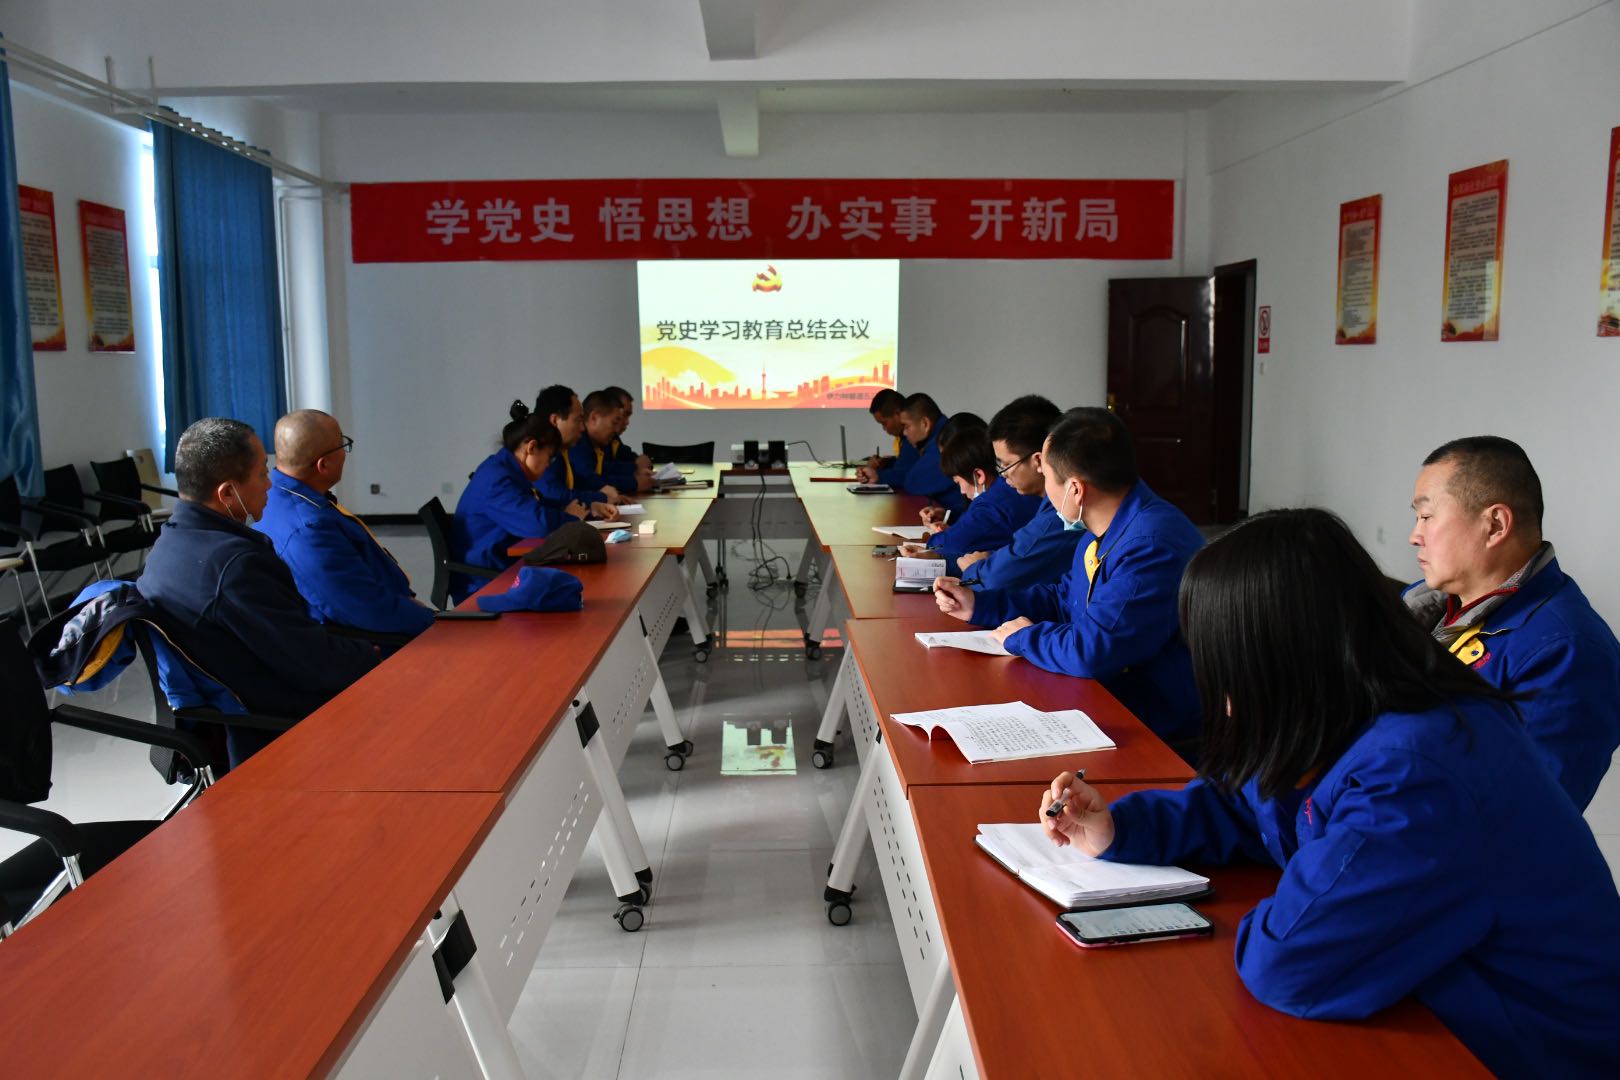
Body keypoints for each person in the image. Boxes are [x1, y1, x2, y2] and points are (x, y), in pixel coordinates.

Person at [1040, 509, 1620, 1078]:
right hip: (1434, 1010)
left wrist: (1275, 903)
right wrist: (1123, 828)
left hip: (1520, 1050)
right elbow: (1249, 799)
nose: (1227, 704)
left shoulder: (1415, 770)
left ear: (1285, 659)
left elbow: (1287, 962)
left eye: (1228, 673)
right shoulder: (1359, 709)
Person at [933, 407, 1202, 745]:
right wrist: (980, 605)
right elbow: (1064, 599)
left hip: (1154, 726)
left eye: (1046, 476)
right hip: (1110, 696)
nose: (1045, 490)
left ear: (1075, 489)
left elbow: (1094, 650)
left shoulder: (1150, 546)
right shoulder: (1102, 527)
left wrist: (1024, 637)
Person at [137, 417, 380, 763]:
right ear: (227, 493)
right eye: (263, 473)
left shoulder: (166, 546)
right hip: (277, 728)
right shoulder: (236, 566)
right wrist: (371, 655)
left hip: (234, 712)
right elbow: (313, 664)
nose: (270, 484)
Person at [1405, 436, 1620, 810]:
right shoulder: (1420, 604)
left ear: (1495, 525)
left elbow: (1524, 814)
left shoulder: (1567, 651)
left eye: (1426, 516)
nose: (1414, 536)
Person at [256, 409, 434, 637]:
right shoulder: (309, 528)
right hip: (376, 641)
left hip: (385, 613)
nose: (345, 453)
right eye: (342, 444)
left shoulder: (277, 497)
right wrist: (433, 621)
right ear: (323, 465)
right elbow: (368, 610)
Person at [957, 394, 1082, 592]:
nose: (1003, 474)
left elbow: (995, 580)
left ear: (1038, 461)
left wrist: (975, 569)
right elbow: (1017, 554)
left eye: (1007, 464)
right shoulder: (1047, 502)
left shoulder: (1063, 515)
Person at [450, 402, 567, 601]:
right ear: (531, 447)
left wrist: (569, 513)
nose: (548, 465)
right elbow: (537, 524)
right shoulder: (497, 479)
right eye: (549, 457)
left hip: (498, 568)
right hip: (483, 582)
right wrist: (574, 521)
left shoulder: (504, 469)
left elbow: (535, 507)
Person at [899, 414, 1039, 575]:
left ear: (978, 475)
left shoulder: (990, 506)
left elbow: (944, 544)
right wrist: (951, 519)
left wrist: (937, 538)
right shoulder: (1003, 491)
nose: (962, 491)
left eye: (959, 483)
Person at [533, 383, 620, 524]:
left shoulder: (561, 452)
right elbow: (555, 495)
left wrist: (592, 507)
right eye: (578, 420)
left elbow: (577, 487)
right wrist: (601, 497)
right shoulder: (538, 454)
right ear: (555, 420)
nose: (582, 428)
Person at [570, 390, 650, 494]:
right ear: (594, 417)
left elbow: (605, 473)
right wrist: (634, 482)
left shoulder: (597, 441)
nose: (616, 430)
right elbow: (589, 481)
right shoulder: (577, 441)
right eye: (614, 423)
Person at [854, 388, 914, 484]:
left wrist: (877, 475)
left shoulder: (913, 437)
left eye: (884, 423)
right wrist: (886, 463)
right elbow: (907, 464)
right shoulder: (905, 437)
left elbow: (903, 475)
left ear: (898, 414)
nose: (884, 429)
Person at [602, 385, 653, 473]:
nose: (627, 422)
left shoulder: (613, 439)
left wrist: (641, 462)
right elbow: (602, 472)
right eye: (625, 415)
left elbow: (627, 456)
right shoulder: (584, 441)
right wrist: (635, 466)